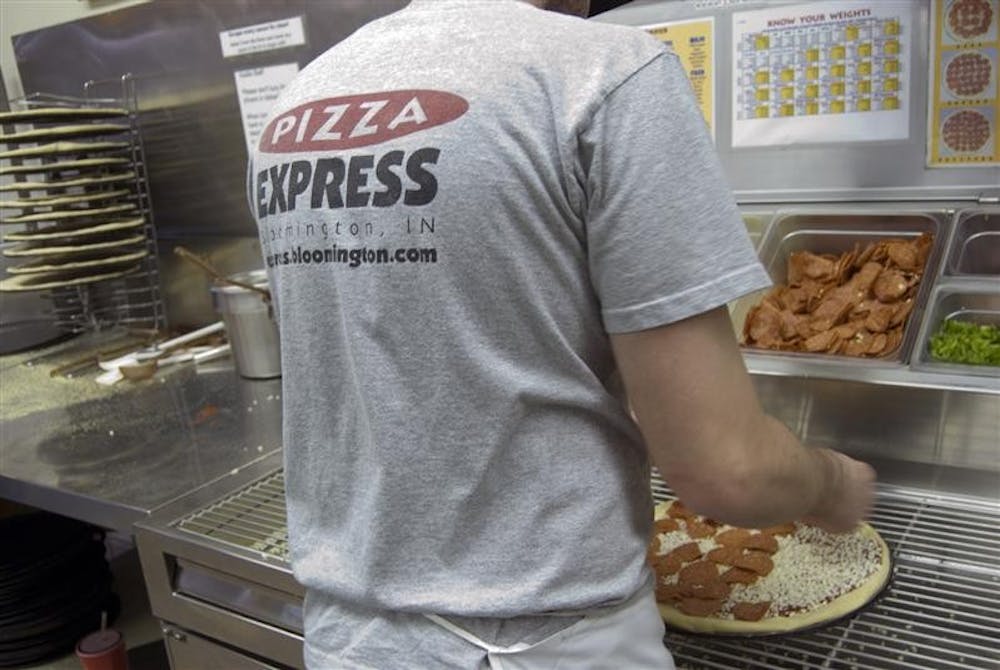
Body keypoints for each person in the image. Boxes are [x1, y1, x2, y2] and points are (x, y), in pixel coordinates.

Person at [248, 0, 876, 667]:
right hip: (541, 642)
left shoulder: (300, 101)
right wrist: (832, 485)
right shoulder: (605, 73)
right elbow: (729, 472)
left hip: (347, 638)